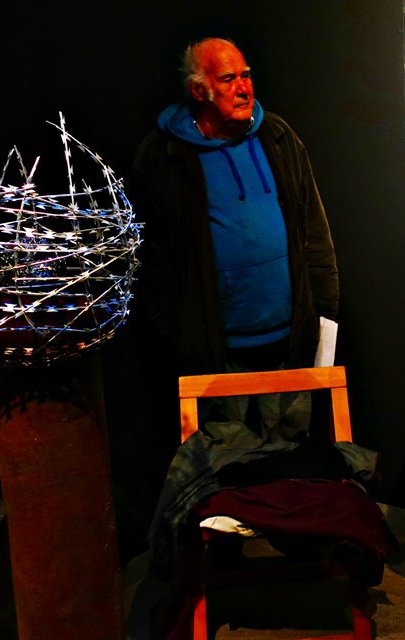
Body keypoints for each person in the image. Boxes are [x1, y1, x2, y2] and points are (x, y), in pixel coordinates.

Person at [131, 37, 339, 441]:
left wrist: (324, 309)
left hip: (290, 344)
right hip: (216, 355)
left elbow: (314, 228)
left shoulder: (277, 136)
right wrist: (179, 335)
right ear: (199, 91)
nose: (244, 88)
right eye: (228, 79)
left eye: (246, 76)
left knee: (292, 457)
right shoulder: (164, 156)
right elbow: (151, 257)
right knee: (224, 461)